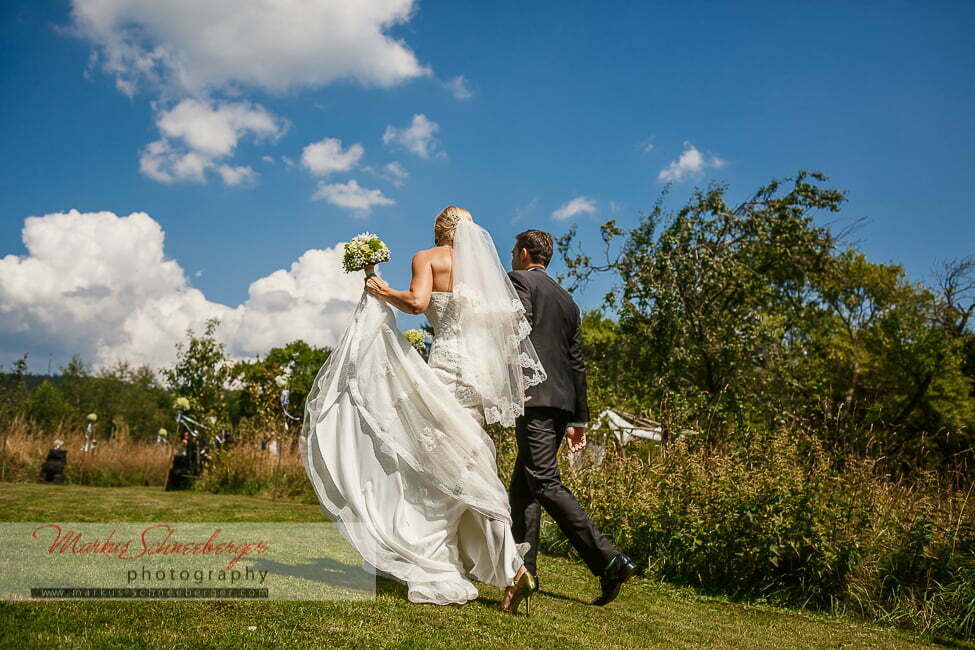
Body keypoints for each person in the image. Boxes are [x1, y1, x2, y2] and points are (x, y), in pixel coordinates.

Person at [300, 206, 544, 614]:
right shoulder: (484, 271)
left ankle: (462, 562)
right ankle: (508, 569)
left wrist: (381, 291)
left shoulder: (428, 258)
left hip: (447, 372)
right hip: (479, 381)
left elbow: (415, 303)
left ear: (440, 230)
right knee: (468, 469)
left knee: (443, 474)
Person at [507, 229, 638, 606]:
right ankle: (524, 572)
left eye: (514, 250)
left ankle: (609, 559)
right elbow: (576, 361)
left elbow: (517, 331)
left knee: (544, 483)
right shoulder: (568, 300)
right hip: (563, 403)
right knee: (523, 491)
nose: (512, 256)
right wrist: (580, 417)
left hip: (535, 398)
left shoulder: (519, 281)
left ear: (525, 253)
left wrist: (515, 381)